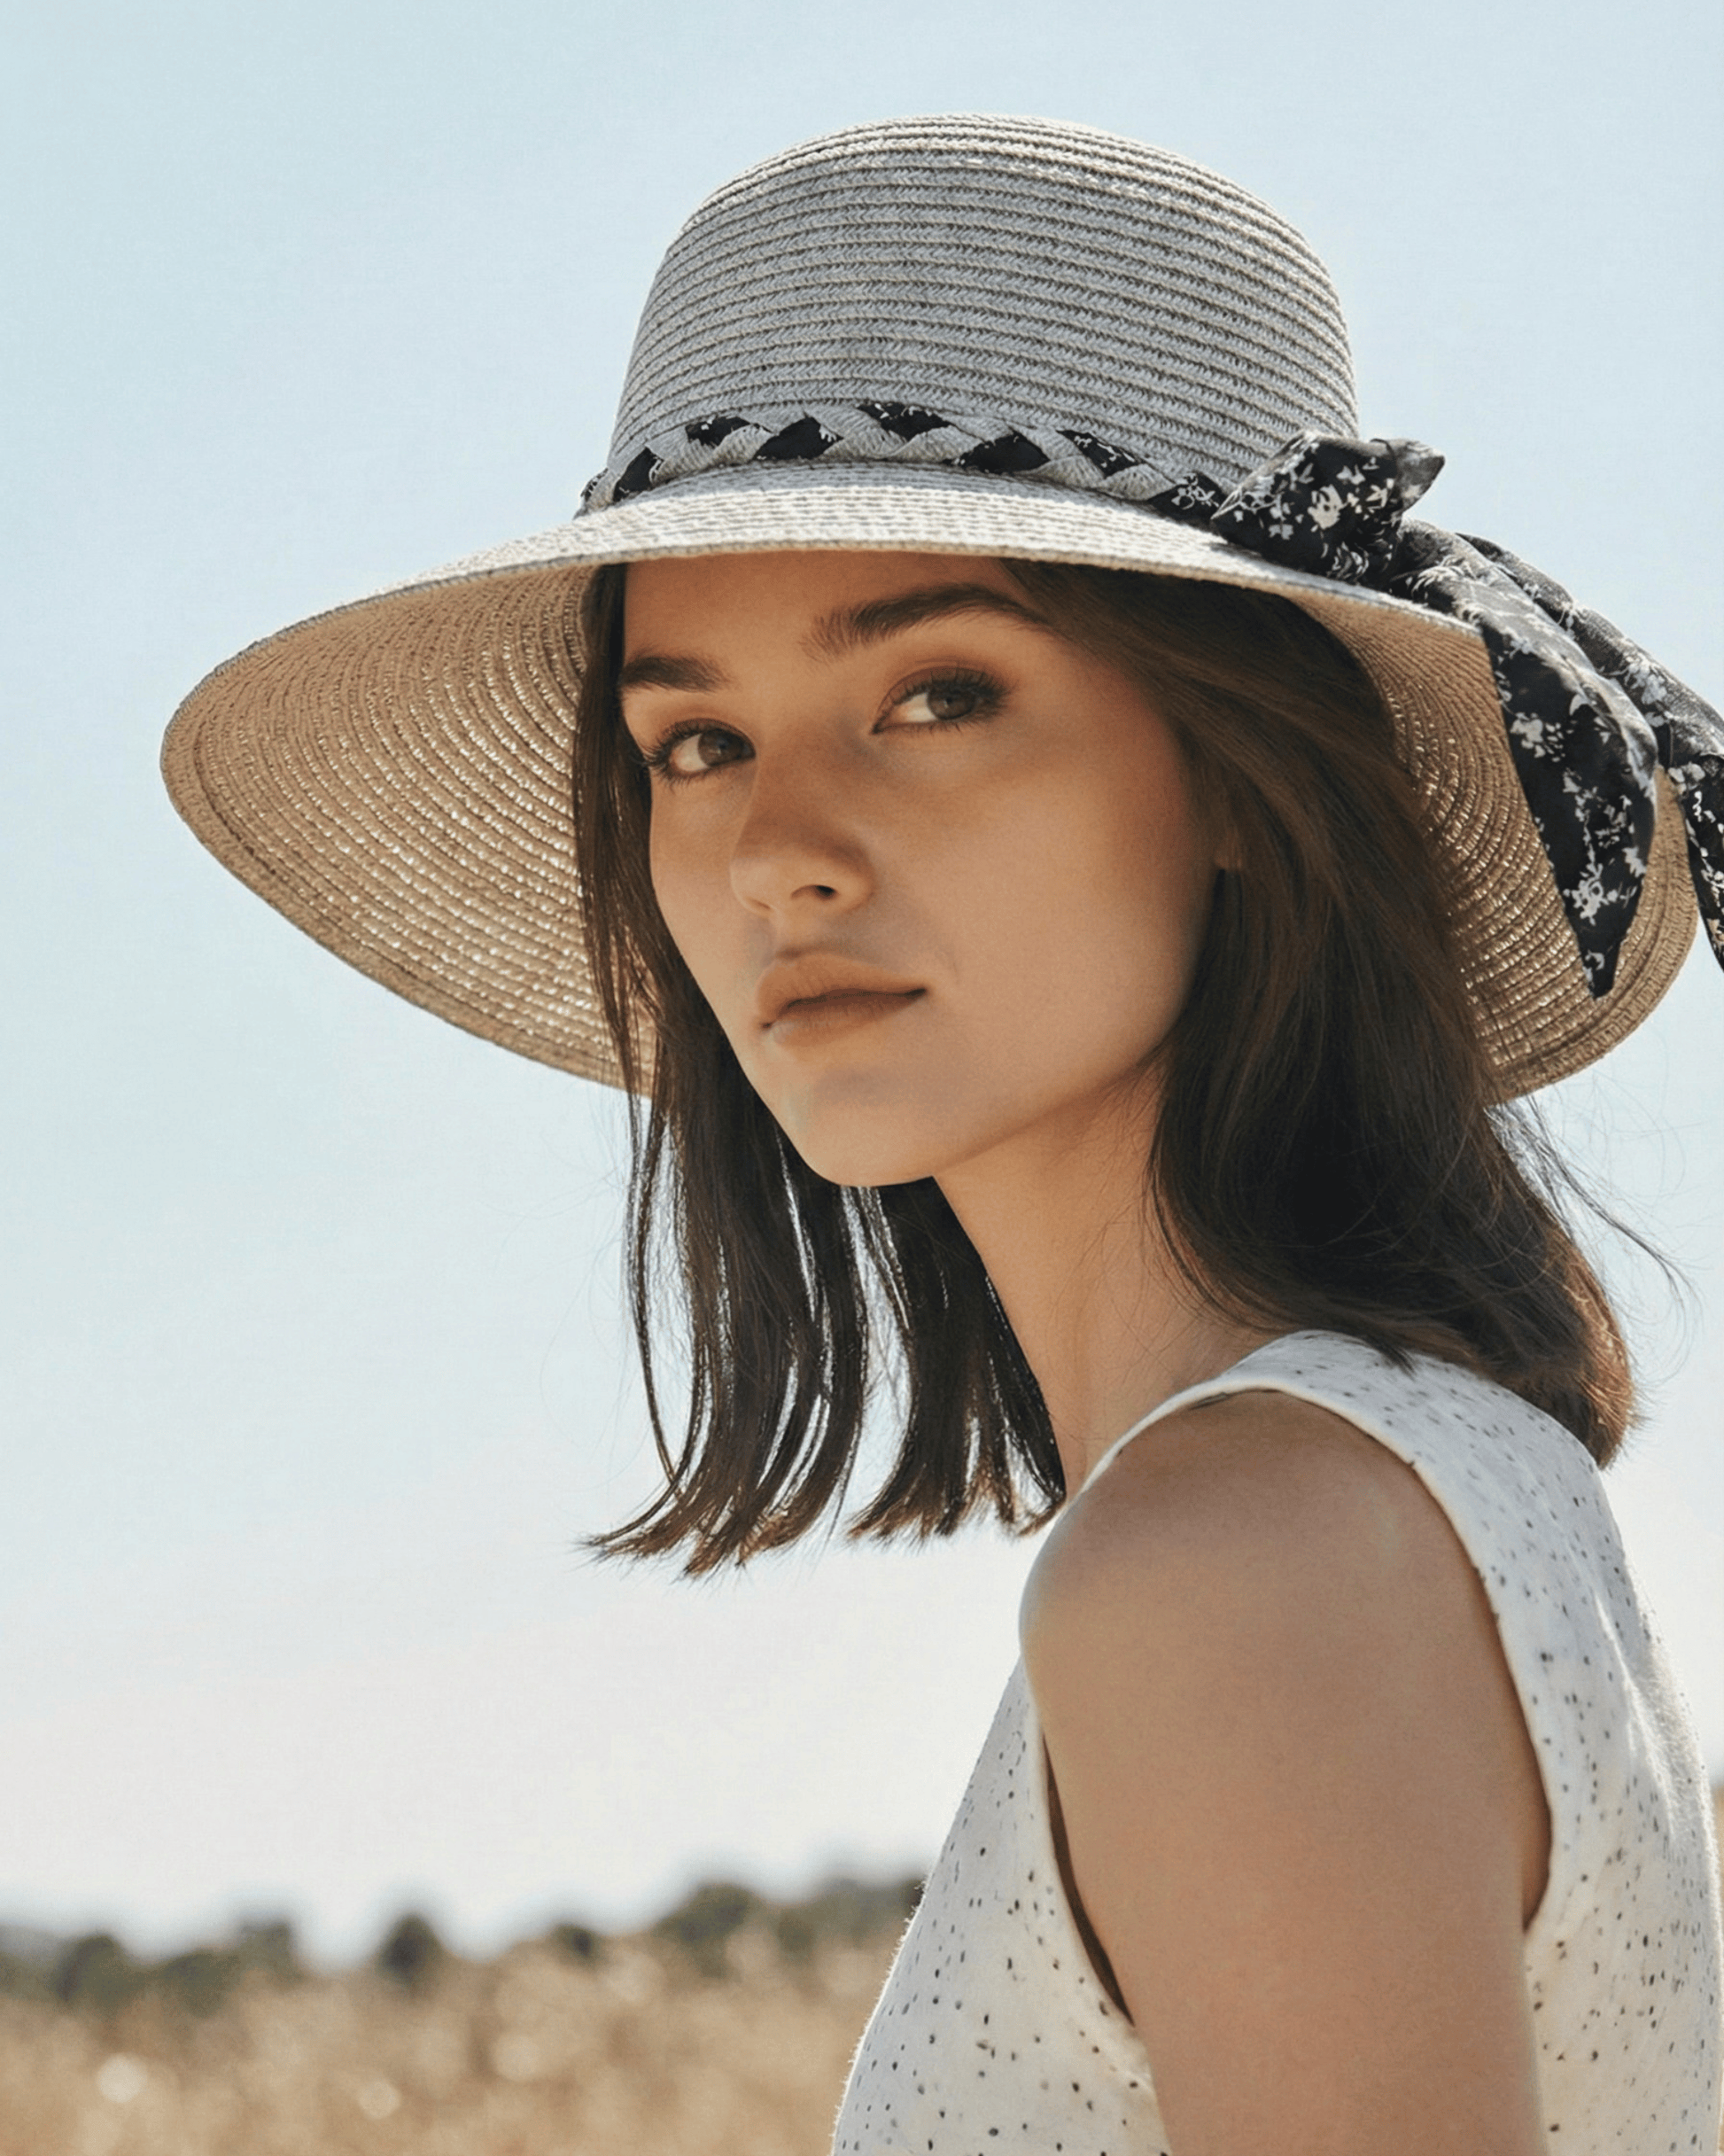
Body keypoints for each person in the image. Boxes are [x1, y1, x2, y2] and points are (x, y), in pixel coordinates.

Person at [163, 115, 1723, 2152]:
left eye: (935, 696)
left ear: (1244, 776)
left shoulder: (1238, 1563)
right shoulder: (1415, 1480)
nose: (780, 855)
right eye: (694, 740)